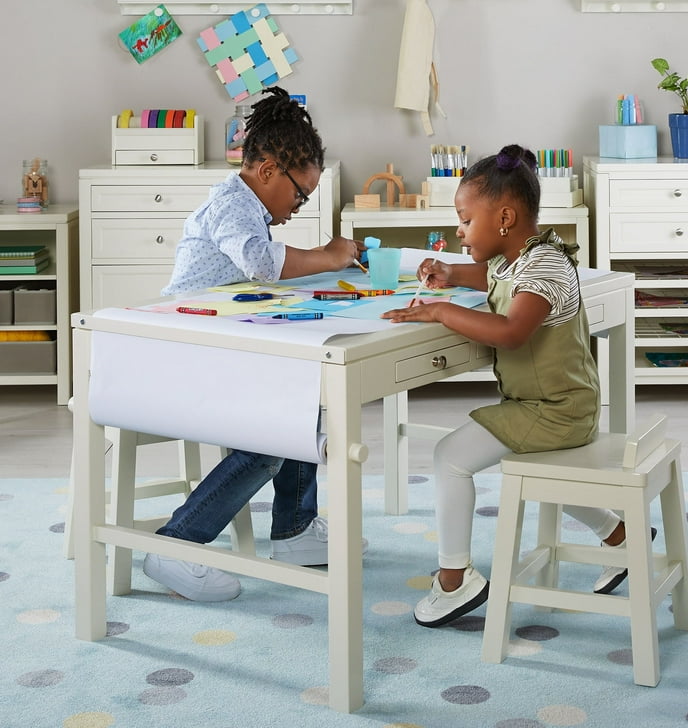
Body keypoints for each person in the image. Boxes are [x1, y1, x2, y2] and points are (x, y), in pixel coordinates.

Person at [382, 144, 647, 628]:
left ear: (504, 216)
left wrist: (440, 310)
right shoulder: (520, 258)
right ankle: (621, 535)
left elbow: (511, 331)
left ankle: (453, 578)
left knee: (449, 457)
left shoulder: (544, 266)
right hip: (550, 403)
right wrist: (448, 275)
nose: (459, 232)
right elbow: (490, 273)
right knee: (539, 470)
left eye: (464, 220)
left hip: (557, 409)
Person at [143, 86, 365, 603]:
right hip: (187, 352)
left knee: (304, 398)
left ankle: (294, 529)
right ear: (267, 170)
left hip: (217, 345)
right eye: (300, 194)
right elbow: (262, 265)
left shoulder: (249, 209)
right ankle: (178, 545)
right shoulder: (231, 208)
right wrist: (327, 255)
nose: (299, 204)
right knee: (272, 437)